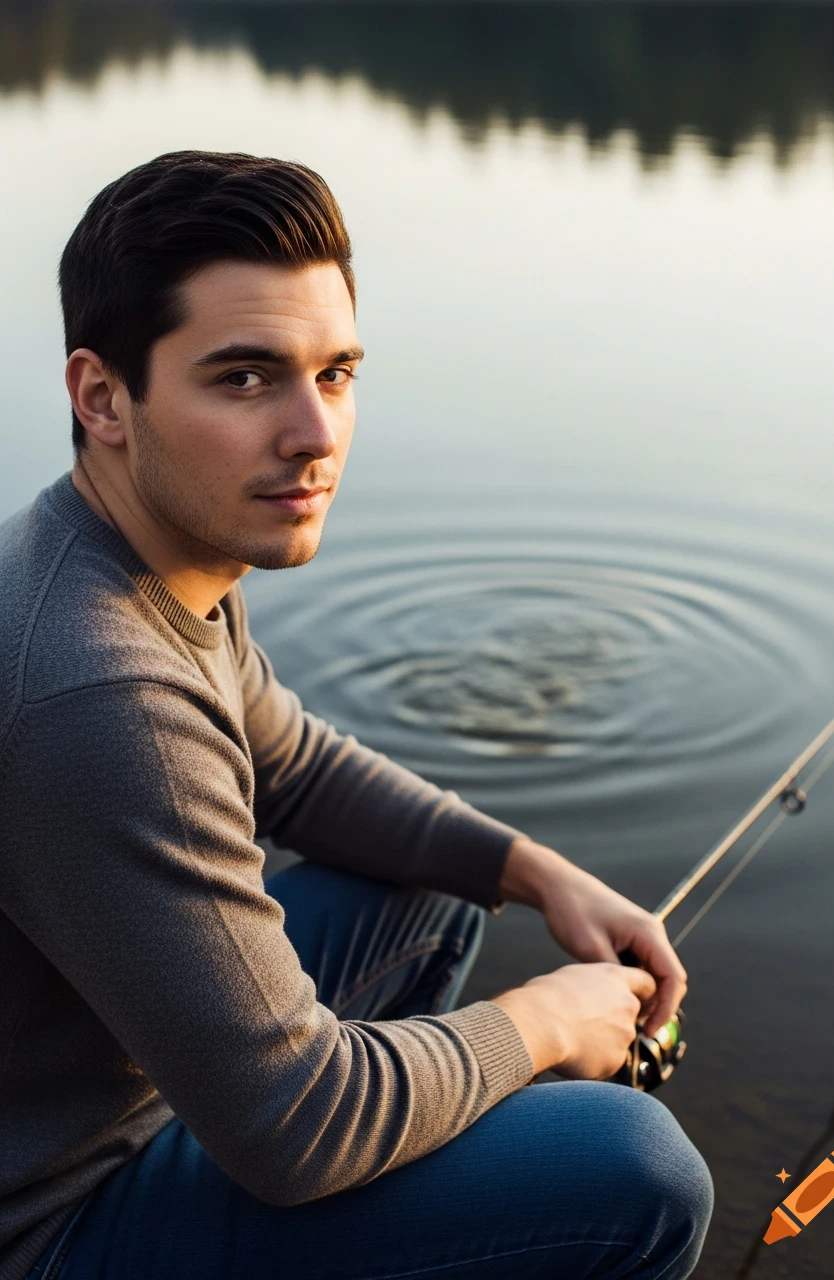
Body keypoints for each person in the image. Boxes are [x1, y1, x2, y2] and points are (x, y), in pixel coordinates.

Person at [0, 151, 712, 1280]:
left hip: (111, 1093)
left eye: (334, 373)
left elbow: (296, 768)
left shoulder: (131, 552)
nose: (315, 435)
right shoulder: (105, 693)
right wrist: (543, 1023)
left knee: (430, 882)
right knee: (636, 1167)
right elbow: (301, 1125)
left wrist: (535, 871)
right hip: (51, 1217)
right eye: (245, 379)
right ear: (101, 397)